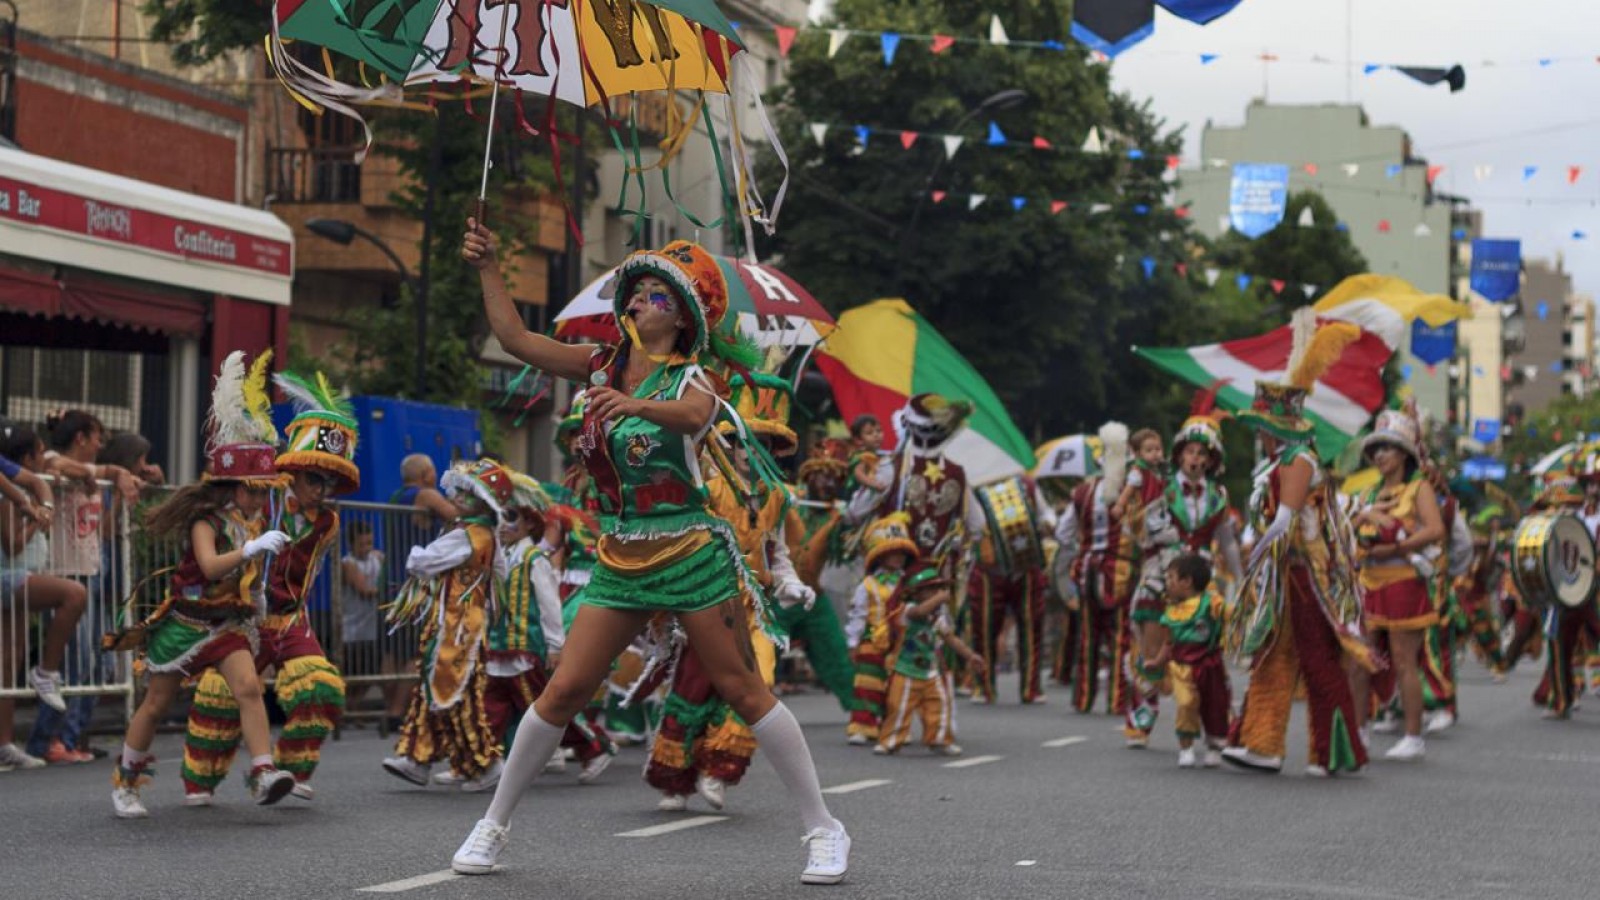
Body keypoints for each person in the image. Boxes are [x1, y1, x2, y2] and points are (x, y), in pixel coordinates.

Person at [453, 224, 850, 885]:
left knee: (742, 688)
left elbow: (695, 418)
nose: (635, 302)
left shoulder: (697, 374)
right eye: (632, 293)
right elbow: (514, 341)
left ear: (682, 316)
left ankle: (823, 828)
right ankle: (492, 826)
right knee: (564, 690)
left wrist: (633, 403)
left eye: (653, 296)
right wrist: (491, 266)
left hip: (690, 549)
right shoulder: (598, 364)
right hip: (622, 553)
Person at [105, 350, 296, 817]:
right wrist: (250, 551)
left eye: (263, 489)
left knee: (249, 689)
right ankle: (126, 782)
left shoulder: (250, 524)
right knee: (156, 704)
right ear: (232, 487)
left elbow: (240, 581)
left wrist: (253, 596)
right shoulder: (206, 522)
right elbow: (210, 568)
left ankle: (263, 773)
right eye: (254, 488)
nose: (259, 497)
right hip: (186, 623)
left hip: (225, 624)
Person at [180, 370, 357, 803]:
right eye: (316, 479)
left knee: (320, 686)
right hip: (247, 616)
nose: (322, 490)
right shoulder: (266, 497)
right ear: (295, 473)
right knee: (222, 700)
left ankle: (290, 772)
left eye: (330, 482)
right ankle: (199, 780)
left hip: (291, 619)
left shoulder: (329, 522)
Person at [1222, 310, 1373, 777]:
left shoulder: (1298, 460)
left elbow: (1284, 521)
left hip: (1300, 576)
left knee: (1316, 661)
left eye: (1264, 425)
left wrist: (1255, 560)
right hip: (1284, 574)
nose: (1260, 433)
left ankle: (1335, 753)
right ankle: (1261, 744)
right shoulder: (1284, 460)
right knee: (1273, 657)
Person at [463, 471, 613, 788]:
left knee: (545, 708)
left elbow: (550, 607)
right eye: (500, 517)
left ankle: (594, 746)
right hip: (499, 649)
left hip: (526, 651)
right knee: (489, 708)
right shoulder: (498, 557)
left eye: (512, 517)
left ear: (530, 524)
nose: (503, 524)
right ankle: (486, 764)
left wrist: (556, 647)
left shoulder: (535, 560)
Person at [381, 459, 510, 792]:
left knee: (454, 691)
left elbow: (420, 562)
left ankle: (485, 763)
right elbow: (500, 574)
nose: (456, 498)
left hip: (458, 624)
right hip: (457, 620)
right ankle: (417, 757)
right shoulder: (486, 535)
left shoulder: (468, 536)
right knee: (432, 687)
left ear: (480, 502)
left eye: (466, 494)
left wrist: (414, 552)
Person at [0, 424, 89, 768]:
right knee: (74, 594)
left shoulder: (18, 476)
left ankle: (4, 742)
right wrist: (32, 513)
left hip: (19, 582)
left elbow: (37, 483)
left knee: (9, 661)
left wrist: (43, 506)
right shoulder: (8, 497)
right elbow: (11, 544)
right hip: (8, 577)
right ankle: (46, 672)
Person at [1058, 422, 1139, 721]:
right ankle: (1118, 700)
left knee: (1088, 636)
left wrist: (1081, 545)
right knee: (1120, 636)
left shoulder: (1082, 491)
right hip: (1118, 570)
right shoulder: (1131, 492)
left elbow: (1062, 532)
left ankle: (1083, 697)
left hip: (1086, 569)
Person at [875, 564, 984, 755]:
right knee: (899, 708)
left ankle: (939, 739)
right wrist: (940, 598)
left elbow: (951, 638)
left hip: (930, 672)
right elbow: (919, 612)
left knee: (940, 705)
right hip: (905, 669)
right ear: (916, 594)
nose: (936, 593)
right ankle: (890, 741)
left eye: (938, 589)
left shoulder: (937, 618)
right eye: (930, 589)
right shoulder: (908, 610)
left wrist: (970, 655)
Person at [845, 513, 919, 745]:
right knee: (868, 684)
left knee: (897, 688)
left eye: (901, 553)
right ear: (881, 555)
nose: (898, 557)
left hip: (902, 643)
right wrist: (853, 643)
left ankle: (896, 728)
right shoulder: (867, 585)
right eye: (892, 552)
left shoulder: (908, 584)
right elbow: (857, 615)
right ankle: (863, 726)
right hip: (872, 642)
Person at [1151, 554, 1231, 769]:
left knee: (1215, 705)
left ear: (1186, 582)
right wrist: (1157, 662)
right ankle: (1186, 748)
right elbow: (1168, 643)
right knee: (1186, 704)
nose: (1167, 584)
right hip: (1181, 667)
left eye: (1170, 579)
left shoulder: (1211, 602)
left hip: (1210, 665)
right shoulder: (1170, 612)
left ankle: (1215, 747)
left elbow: (1230, 616)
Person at [340, 521, 391, 715]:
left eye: (369, 543)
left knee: (370, 673)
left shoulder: (377, 557)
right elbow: (364, 590)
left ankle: (355, 707)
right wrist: (390, 592)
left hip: (372, 627)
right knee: (354, 672)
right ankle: (347, 708)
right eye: (362, 544)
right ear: (351, 545)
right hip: (351, 630)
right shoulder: (348, 563)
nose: (366, 548)